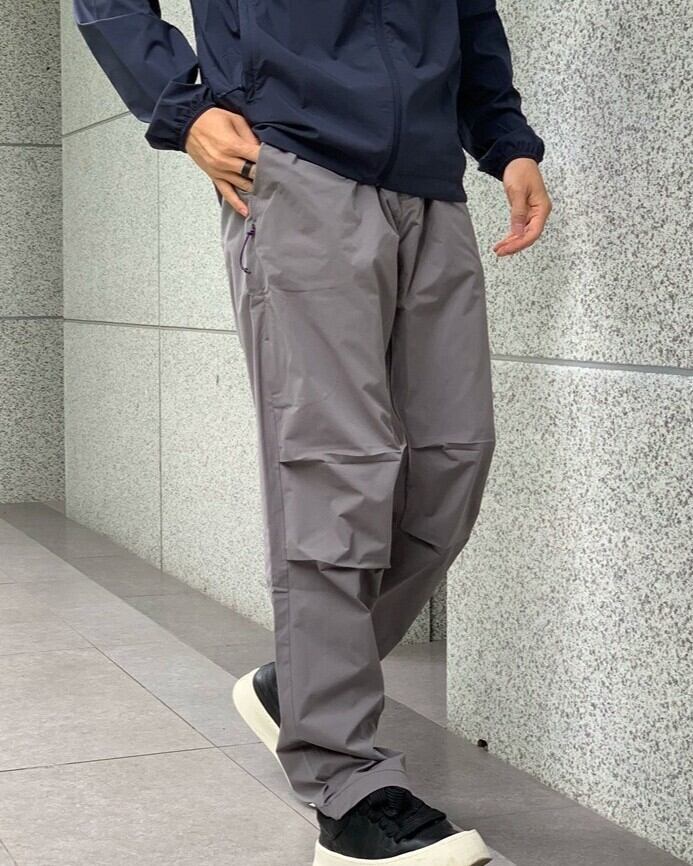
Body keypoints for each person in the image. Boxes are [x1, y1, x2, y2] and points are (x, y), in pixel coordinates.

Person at [74, 2, 551, 863]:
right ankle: (345, 783)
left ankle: (300, 686)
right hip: (296, 168)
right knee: (336, 476)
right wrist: (180, 106)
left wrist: (505, 138)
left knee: (452, 463)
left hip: (431, 188)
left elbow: (468, 12)